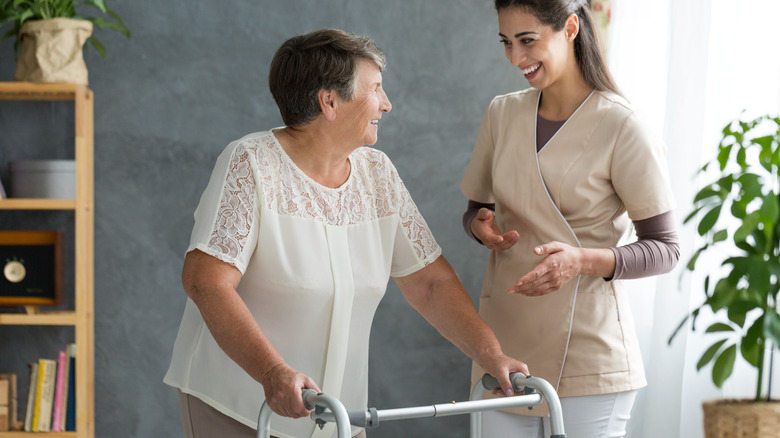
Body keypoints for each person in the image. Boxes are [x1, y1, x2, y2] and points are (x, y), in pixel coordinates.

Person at [164, 28, 529, 438]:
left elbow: (429, 282)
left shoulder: (378, 173)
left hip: (337, 416)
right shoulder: (251, 164)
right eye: (375, 89)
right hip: (241, 408)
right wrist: (271, 373)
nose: (387, 104)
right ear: (330, 101)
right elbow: (206, 282)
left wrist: (490, 353)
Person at [460, 1, 680, 437]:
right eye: (506, 42)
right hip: (504, 349)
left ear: (571, 28)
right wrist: (480, 228)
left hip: (589, 354)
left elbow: (665, 248)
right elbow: (475, 210)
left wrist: (580, 261)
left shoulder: (623, 126)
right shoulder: (502, 114)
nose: (515, 58)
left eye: (527, 41)